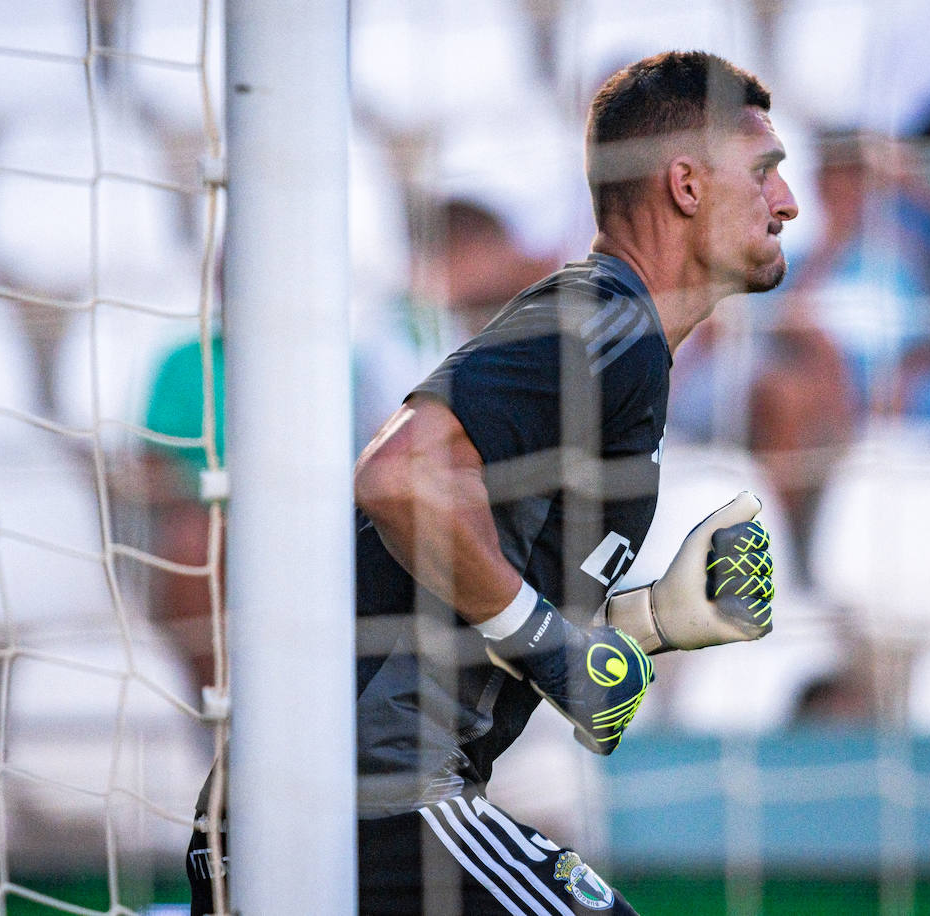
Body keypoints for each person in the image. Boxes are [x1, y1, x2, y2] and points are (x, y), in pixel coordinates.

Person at [187, 50, 794, 915]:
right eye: (767, 172)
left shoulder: (615, 345)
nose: (787, 201)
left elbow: (473, 618)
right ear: (687, 185)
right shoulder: (602, 321)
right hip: (360, 801)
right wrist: (557, 648)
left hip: (306, 805)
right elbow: (399, 477)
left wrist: (656, 619)